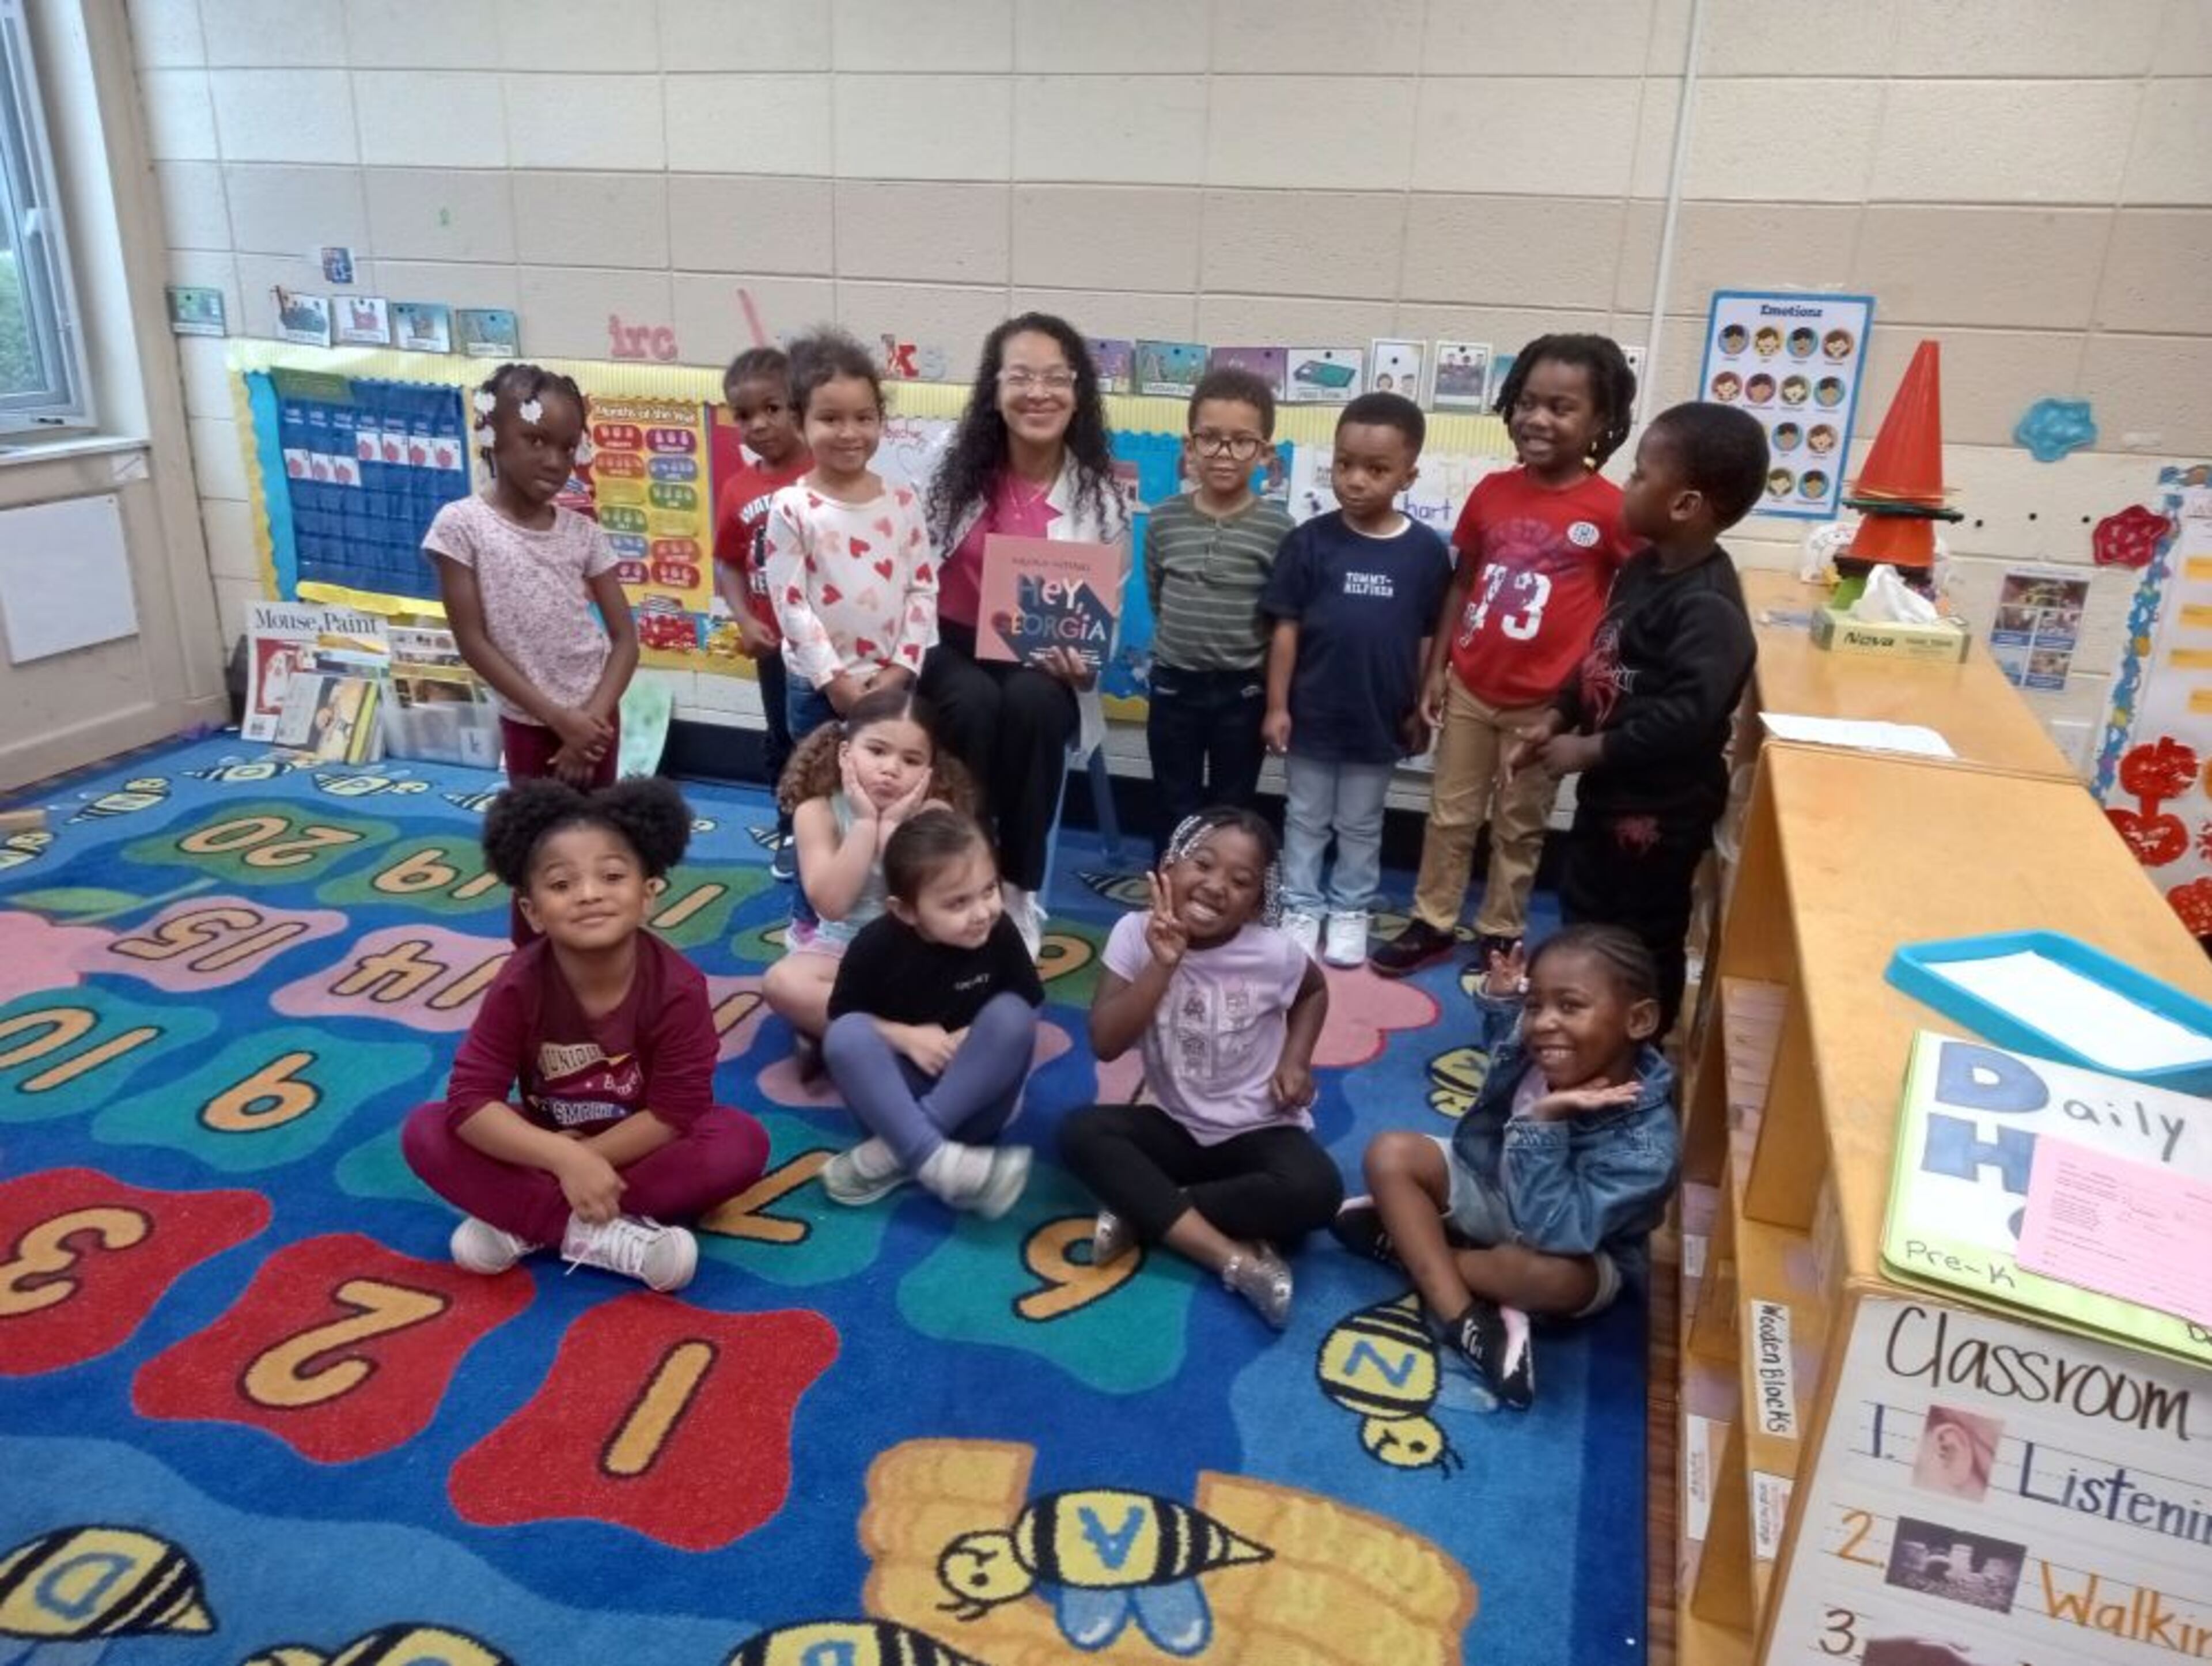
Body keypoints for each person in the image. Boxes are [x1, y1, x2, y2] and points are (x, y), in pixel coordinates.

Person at [400, 778, 770, 1293]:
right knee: (426, 1131)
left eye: (612, 876)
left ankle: (522, 1220)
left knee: (740, 1143)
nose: (590, 894)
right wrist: (564, 1158)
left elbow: (674, 1112)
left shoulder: (679, 986)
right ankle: (603, 1238)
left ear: (647, 896)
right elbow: (469, 1100)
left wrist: (588, 1160)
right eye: (561, 885)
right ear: (531, 911)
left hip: (638, 1144)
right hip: (550, 1136)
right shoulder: (519, 982)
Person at [1372, 335, 1639, 978]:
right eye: (1527, 402)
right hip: (1471, 687)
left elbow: (1630, 602)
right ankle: (1432, 919)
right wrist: (1436, 668)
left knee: (1519, 825)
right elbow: (1463, 583)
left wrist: (1590, 695)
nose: (1538, 419)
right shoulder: (1491, 493)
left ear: (1601, 423)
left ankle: (1501, 929)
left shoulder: (1610, 511)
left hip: (1543, 704)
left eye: (1561, 407)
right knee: (1450, 812)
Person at [1334, 926, 1678, 1408]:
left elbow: (1555, 1232)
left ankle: (1412, 1250)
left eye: (1570, 1006)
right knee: (1389, 1153)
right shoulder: (1543, 1045)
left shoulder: (1647, 1146)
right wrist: (1498, 1002)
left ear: (1639, 1021)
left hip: (1568, 1245)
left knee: (1551, 1280)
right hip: (1493, 1183)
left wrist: (1546, 1121)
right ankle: (1467, 1320)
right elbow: (1505, 1041)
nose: (1542, 1025)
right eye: (1535, 1004)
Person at [1508, 401, 1767, 1034]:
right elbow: (1602, 653)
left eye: (1640, 475)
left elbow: (1688, 715)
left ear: (1685, 504)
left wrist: (1590, 751)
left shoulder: (1709, 608)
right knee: (1587, 911)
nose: (1626, 485)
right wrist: (1558, 717)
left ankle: (1637, 1053)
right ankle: (1582, 1024)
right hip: (1611, 795)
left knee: (1640, 935)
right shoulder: (1641, 568)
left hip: (1662, 811)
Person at [1060, 809, 1337, 1329]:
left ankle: (1147, 1208)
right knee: (1080, 1133)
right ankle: (1230, 1257)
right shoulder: (1132, 933)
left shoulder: (1274, 953)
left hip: (1260, 1127)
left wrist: (1295, 1059)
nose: (1216, 887)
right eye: (1202, 865)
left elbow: (1315, 991)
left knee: (1318, 1192)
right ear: (1169, 867)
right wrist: (1163, 963)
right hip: (1175, 1125)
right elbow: (1105, 1042)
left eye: (1241, 882)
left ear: (1256, 902)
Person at [921, 313, 1132, 955]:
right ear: (994, 389)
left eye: (1055, 379)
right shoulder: (945, 469)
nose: (1038, 393)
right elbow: (909, 573)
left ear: (1079, 392)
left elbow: (1109, 621)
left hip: (1041, 662)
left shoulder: (1102, 498)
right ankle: (959, 874)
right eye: (1020, 377)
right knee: (974, 704)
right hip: (948, 646)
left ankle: (1016, 890)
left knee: (1034, 705)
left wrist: (1085, 662)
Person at [427, 362, 639, 944]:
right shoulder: (461, 527)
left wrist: (589, 719)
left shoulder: (582, 533)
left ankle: (603, 952)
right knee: (540, 852)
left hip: (597, 720)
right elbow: (474, 642)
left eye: (568, 447)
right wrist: (558, 721)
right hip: (533, 721)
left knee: (599, 843)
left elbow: (625, 639)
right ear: (492, 435)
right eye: (536, 440)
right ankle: (535, 969)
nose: (554, 461)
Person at [1260, 392, 1452, 966]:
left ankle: (1349, 910)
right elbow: (1285, 629)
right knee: (1305, 815)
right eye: (1345, 464)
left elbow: (1426, 635)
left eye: (1376, 469)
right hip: (1313, 712)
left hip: (1378, 717)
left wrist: (1421, 705)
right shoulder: (1309, 542)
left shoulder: (1423, 553)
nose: (1356, 480)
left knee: (1362, 822)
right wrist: (1276, 705)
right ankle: (1301, 905)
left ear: (1408, 475)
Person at [821, 809, 1042, 1216]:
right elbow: (844, 1023)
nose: (981, 913)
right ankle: (936, 1160)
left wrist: (973, 1034)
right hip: (892, 1103)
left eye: (989, 890)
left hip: (975, 1104)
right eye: (957, 903)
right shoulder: (874, 947)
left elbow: (1026, 1007)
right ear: (905, 910)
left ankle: (900, 1153)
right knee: (846, 1035)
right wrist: (905, 1036)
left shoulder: (1000, 932)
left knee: (1014, 1015)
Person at [762, 685, 974, 1055]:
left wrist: (892, 827)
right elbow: (832, 905)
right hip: (839, 949)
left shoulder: (934, 813)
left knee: (989, 994)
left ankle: (841, 1031)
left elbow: (923, 907)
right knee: (782, 983)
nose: (891, 770)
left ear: (929, 771)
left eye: (911, 761)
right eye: (876, 751)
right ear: (846, 753)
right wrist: (864, 826)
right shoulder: (817, 810)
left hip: (914, 953)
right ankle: (899, 1036)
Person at [763, 327, 936, 749]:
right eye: (830, 419)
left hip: (888, 681)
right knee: (814, 791)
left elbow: (923, 589)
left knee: (882, 786)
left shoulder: (901, 501)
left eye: (864, 417)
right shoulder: (792, 506)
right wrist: (833, 680)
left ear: (880, 419)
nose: (849, 433)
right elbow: (791, 604)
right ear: (800, 424)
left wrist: (902, 668)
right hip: (817, 686)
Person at [1144, 368, 1294, 855]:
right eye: (1209, 440)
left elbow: (1280, 623)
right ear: (1189, 447)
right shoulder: (1164, 519)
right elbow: (1158, 594)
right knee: (1173, 798)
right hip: (1173, 685)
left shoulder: (1279, 528)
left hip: (1242, 691)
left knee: (1233, 806)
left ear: (1264, 453)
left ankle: (1225, 895)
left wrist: (1275, 704)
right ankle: (1169, 889)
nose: (1224, 455)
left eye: (1241, 442)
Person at [712, 346, 812, 881]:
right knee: (784, 736)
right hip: (774, 643)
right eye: (745, 415)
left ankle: (842, 827)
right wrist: (743, 619)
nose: (759, 424)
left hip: (833, 641)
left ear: (797, 404)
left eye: (772, 408)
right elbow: (727, 562)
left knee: (835, 735)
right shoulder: (738, 490)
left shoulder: (826, 472)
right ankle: (791, 827)